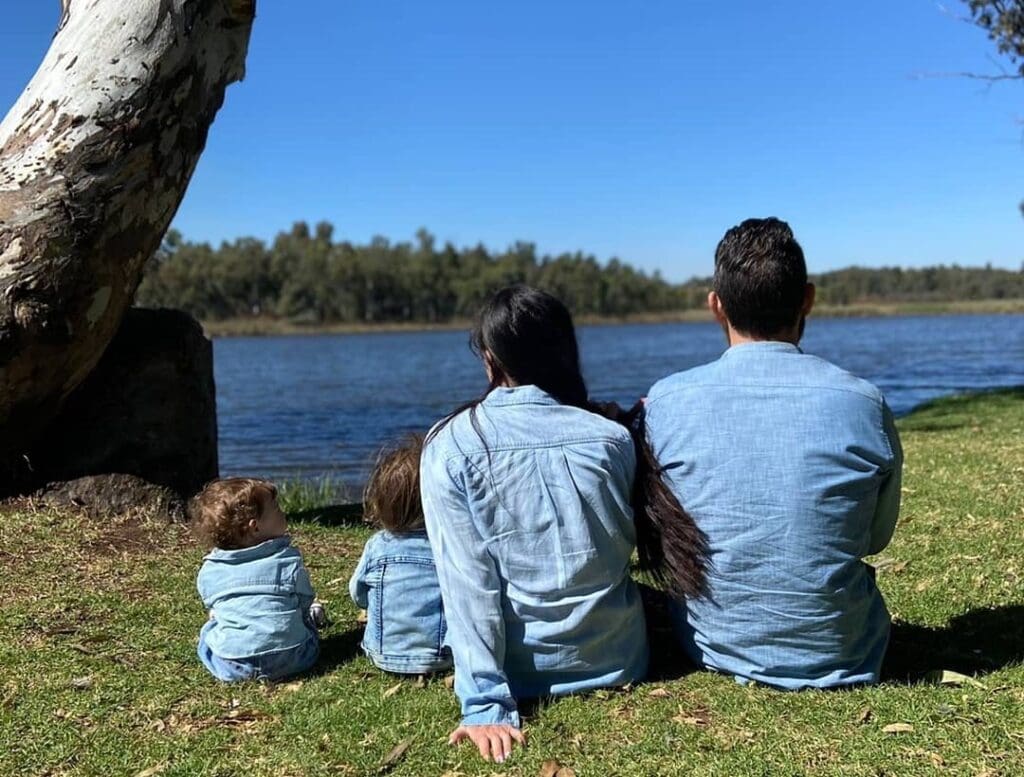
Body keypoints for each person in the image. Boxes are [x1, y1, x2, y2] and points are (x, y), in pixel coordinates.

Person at [420, 285, 705, 764]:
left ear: (490, 360)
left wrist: (485, 704)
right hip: (620, 659)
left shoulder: (450, 446)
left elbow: (468, 585)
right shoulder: (614, 439)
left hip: (522, 673)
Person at [644, 217, 903, 689]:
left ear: (715, 305)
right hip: (844, 649)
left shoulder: (665, 402)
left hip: (711, 643)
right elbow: (874, 539)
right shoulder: (864, 402)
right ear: (808, 298)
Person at [191, 477, 324, 682]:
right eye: (277, 509)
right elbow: (304, 598)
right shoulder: (286, 560)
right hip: (294, 658)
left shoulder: (210, 571)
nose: (283, 512)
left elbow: (212, 604)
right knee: (305, 619)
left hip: (234, 665)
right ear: (255, 527)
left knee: (210, 628)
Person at [349, 435, 452, 675]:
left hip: (383, 654)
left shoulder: (377, 545)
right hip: (442, 655)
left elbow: (358, 593)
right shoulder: (445, 545)